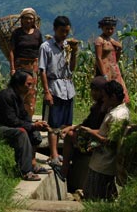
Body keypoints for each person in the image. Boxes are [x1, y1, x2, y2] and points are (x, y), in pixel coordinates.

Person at [0, 71, 51, 181]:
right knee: (21, 133)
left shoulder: (18, 97)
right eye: (28, 84)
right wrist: (32, 125)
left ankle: (32, 163)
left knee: (34, 132)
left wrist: (35, 124)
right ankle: (26, 171)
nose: (31, 87)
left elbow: (24, 117)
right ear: (19, 84)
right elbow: (12, 121)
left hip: (6, 125)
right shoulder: (6, 96)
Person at [51, 76, 107, 191]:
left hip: (97, 141)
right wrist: (72, 127)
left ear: (103, 92)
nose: (93, 93)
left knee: (70, 136)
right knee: (69, 131)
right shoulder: (96, 107)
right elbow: (86, 123)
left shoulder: (104, 109)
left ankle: (64, 171)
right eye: (92, 90)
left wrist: (79, 130)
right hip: (91, 136)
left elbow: (101, 131)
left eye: (97, 91)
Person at [39, 15, 79, 167]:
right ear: (55, 29)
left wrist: (74, 52)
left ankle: (63, 153)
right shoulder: (46, 47)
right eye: (62, 31)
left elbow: (72, 68)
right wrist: (46, 91)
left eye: (67, 32)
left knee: (65, 123)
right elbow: (42, 70)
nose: (64, 35)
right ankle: (53, 153)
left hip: (68, 87)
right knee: (53, 123)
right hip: (54, 87)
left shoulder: (68, 47)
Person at [81, 80, 130, 201]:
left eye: (105, 97)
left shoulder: (117, 116)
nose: (103, 100)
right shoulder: (116, 110)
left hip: (104, 163)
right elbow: (105, 131)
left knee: (96, 196)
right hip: (100, 161)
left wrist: (90, 133)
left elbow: (111, 141)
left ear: (113, 97)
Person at [9, 7, 43, 117]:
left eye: (31, 18)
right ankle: (17, 115)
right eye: (26, 18)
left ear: (34, 20)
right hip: (20, 65)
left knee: (31, 91)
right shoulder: (17, 33)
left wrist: (39, 65)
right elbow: (11, 51)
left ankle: (29, 116)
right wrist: (13, 68)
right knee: (19, 89)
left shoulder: (37, 33)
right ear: (21, 19)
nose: (28, 21)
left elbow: (40, 49)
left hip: (33, 65)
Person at [94, 16, 130, 103]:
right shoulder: (100, 40)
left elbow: (115, 59)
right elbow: (98, 58)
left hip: (114, 70)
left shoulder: (112, 40)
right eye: (107, 29)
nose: (109, 31)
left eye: (111, 29)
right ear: (102, 28)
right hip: (104, 70)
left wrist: (119, 49)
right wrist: (104, 75)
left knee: (117, 94)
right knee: (105, 95)